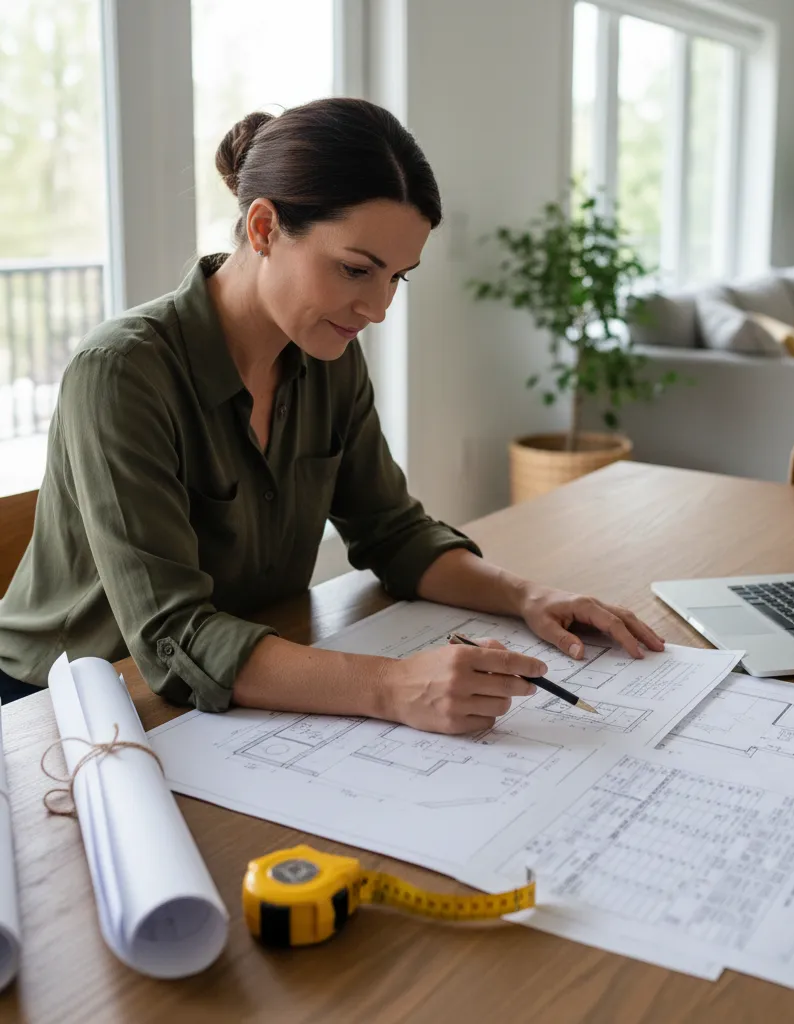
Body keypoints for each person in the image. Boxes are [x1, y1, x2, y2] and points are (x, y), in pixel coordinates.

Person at [0, 98, 663, 732]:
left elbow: (392, 532)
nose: (378, 308)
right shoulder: (122, 373)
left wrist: (528, 597)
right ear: (264, 228)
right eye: (354, 269)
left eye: (397, 276)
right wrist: (394, 686)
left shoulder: (328, 355)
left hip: (233, 690)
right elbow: (174, 638)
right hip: (62, 707)